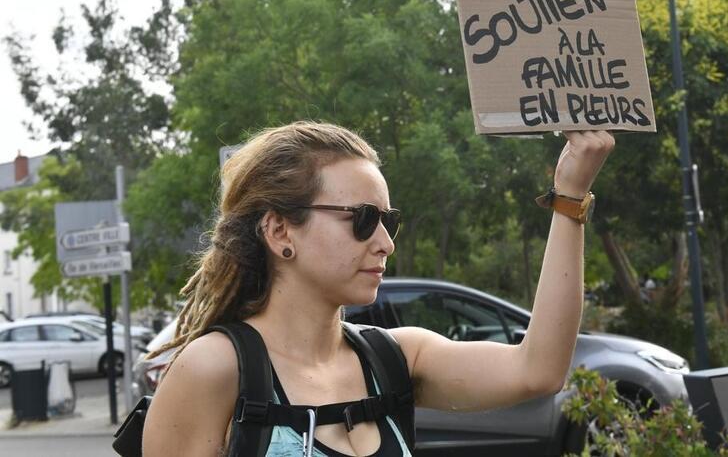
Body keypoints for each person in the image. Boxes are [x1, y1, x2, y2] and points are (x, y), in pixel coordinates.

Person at [141, 121, 614, 456]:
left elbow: (539, 369)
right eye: (363, 219)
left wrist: (569, 198)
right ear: (280, 231)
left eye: (389, 221)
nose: (385, 242)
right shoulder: (215, 369)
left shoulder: (395, 359)